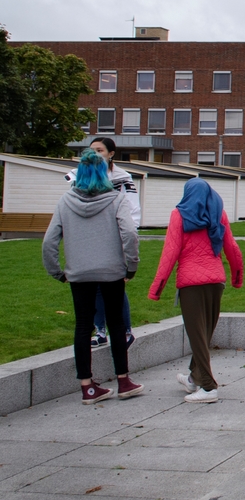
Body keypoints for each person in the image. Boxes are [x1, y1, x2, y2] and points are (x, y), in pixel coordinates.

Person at [42, 148, 144, 404]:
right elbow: (130, 235)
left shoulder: (65, 201)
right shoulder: (116, 199)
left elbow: (49, 243)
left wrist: (58, 272)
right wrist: (131, 266)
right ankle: (123, 380)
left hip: (79, 274)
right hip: (112, 271)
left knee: (82, 327)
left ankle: (87, 387)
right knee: (117, 324)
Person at [148, 178, 244, 404]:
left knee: (197, 336)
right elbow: (232, 247)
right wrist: (237, 277)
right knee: (204, 332)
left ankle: (209, 388)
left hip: (191, 284)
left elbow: (169, 253)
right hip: (215, 282)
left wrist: (157, 289)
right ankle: (193, 379)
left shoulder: (178, 215)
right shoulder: (217, 213)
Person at [66, 138, 140, 350]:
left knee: (115, 288)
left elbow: (132, 210)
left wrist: (128, 242)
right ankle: (100, 331)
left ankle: (125, 332)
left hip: (113, 237)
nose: (96, 154)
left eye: (100, 150)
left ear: (111, 153)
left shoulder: (122, 178)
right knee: (94, 288)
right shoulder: (78, 174)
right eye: (92, 150)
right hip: (89, 239)